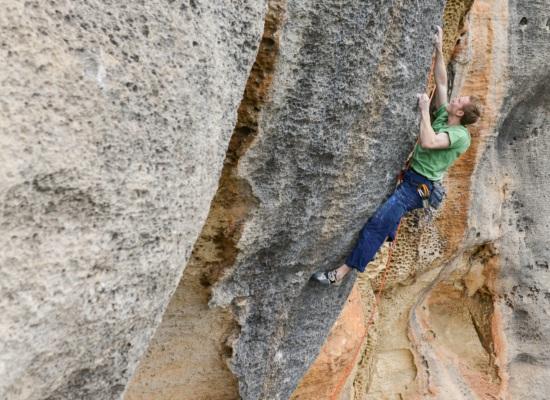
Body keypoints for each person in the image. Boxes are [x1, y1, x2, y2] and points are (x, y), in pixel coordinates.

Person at [312, 26, 481, 286]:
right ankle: (391, 226)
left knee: (377, 225)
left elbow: (428, 141)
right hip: (413, 179)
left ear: (460, 113)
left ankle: (341, 274)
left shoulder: (459, 135)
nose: (456, 99)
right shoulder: (447, 115)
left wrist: (425, 109)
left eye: (460, 101)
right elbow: (442, 82)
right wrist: (438, 46)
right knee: (388, 220)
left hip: (417, 187)